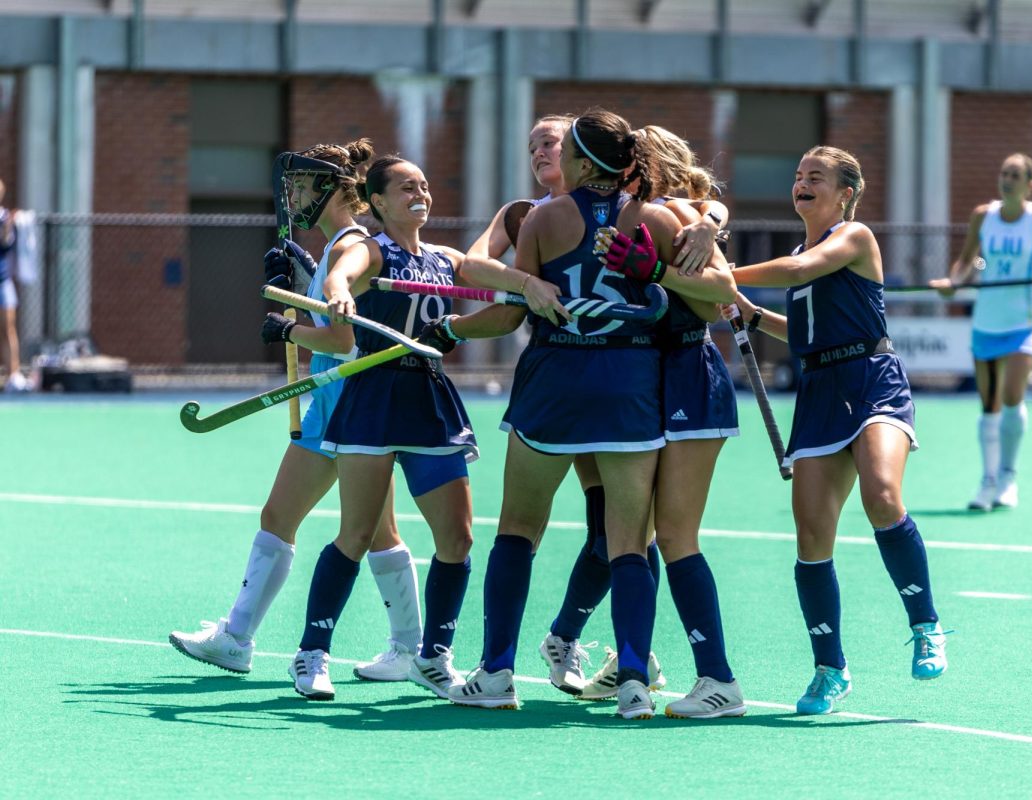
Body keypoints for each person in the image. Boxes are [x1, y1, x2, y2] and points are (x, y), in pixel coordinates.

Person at [445, 108, 735, 719]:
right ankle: (633, 681)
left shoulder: (545, 216)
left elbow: (510, 310)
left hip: (555, 380)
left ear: (579, 162)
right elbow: (714, 300)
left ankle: (496, 672)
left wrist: (446, 330)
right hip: (630, 383)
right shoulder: (657, 217)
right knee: (629, 541)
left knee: (519, 531)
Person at [170, 141, 424, 684]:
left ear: (331, 189)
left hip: (342, 402)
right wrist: (303, 276)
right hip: (345, 403)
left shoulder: (347, 246)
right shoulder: (341, 243)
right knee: (379, 531)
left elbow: (342, 337)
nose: (295, 197)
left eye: (304, 186)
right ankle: (409, 650)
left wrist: (288, 328)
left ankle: (237, 640)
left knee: (284, 519)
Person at [729, 145, 948, 716]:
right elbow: (803, 332)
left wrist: (725, 274)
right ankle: (831, 668)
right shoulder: (802, 251)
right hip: (820, 391)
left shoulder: (854, 238)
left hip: (873, 379)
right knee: (811, 539)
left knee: (881, 493)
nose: (802, 184)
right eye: (798, 175)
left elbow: (799, 272)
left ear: (845, 192)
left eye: (816, 177)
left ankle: (925, 624)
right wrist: (746, 312)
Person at [554, 124, 743, 718]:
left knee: (675, 534)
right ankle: (634, 666)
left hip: (688, 372)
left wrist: (659, 270)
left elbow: (719, 299)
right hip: (642, 382)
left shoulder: (675, 215)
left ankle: (718, 680)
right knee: (632, 537)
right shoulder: (605, 213)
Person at [285, 155, 490, 700]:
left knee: (458, 538)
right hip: (374, 396)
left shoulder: (447, 258)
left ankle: (433, 657)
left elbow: (501, 290)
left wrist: (529, 290)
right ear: (376, 201)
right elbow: (341, 272)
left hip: (428, 397)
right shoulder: (370, 249)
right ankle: (312, 654)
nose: (418, 193)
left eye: (423, 185)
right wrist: (339, 292)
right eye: (405, 187)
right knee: (356, 534)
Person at [931, 153, 1032, 511]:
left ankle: (1008, 477)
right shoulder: (984, 216)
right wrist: (955, 281)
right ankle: (988, 480)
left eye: (1015, 174)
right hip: (987, 321)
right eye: (1003, 173)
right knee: (988, 404)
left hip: (1024, 321)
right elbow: (969, 260)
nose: (1007, 179)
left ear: (1030, 183)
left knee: (1012, 395)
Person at [0, 178, 29, 392]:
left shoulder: (5, 219)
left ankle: (14, 375)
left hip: (3, 282)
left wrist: (9, 225)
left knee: (8, 329)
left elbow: (5, 242)